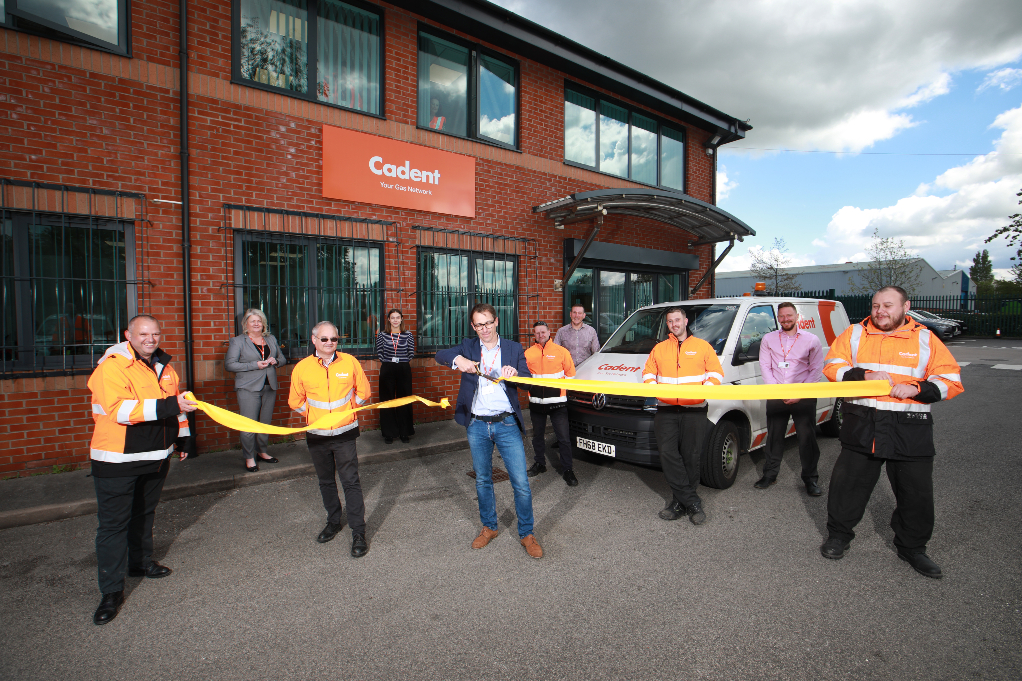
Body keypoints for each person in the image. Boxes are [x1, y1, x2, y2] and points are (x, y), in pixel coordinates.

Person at [820, 286, 963, 578]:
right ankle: (839, 536)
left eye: (887, 305)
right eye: (875, 305)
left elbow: (950, 381)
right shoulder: (854, 334)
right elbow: (832, 367)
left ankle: (913, 548)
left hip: (909, 426)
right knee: (847, 487)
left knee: (915, 493)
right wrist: (864, 375)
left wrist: (917, 388)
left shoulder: (925, 338)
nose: (880, 311)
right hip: (862, 423)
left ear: (905, 307)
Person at [87, 314, 197, 625]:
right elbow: (120, 410)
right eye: (143, 334)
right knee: (113, 526)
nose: (150, 339)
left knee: (144, 514)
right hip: (117, 460)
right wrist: (173, 406)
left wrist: (184, 437)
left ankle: (140, 562)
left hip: (156, 456)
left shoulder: (165, 367)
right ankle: (111, 592)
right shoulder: (112, 367)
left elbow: (177, 407)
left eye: (155, 334)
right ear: (128, 335)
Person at [435, 303, 542, 558]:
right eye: (478, 325)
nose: (484, 329)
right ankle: (489, 527)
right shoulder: (468, 346)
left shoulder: (514, 348)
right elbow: (440, 355)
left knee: (521, 483)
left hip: (506, 424)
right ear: (473, 327)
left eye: (488, 323)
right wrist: (458, 360)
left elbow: (528, 382)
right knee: (483, 480)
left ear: (496, 322)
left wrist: (515, 374)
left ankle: (527, 533)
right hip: (477, 425)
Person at [289, 321, 372, 558]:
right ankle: (334, 522)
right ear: (314, 340)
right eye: (324, 339)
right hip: (317, 435)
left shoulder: (350, 362)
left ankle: (358, 532)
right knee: (326, 481)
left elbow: (364, 393)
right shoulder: (302, 367)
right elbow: (295, 401)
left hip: (345, 433)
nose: (329, 343)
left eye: (334, 339)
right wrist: (314, 417)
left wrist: (348, 413)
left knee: (351, 482)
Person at [642, 306, 723, 525]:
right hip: (666, 409)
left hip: (694, 410)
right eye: (670, 321)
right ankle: (693, 502)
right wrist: (653, 387)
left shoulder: (702, 346)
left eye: (677, 320)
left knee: (691, 455)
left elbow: (716, 374)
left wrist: (704, 390)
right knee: (667, 454)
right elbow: (648, 373)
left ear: (685, 321)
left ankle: (679, 503)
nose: (674, 324)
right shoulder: (659, 348)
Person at [756, 302, 826, 495]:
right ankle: (770, 475)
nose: (785, 319)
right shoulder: (768, 339)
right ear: (778, 318)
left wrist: (799, 394)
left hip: (803, 396)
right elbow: (765, 366)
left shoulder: (812, 340)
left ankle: (811, 480)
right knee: (774, 437)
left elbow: (816, 370)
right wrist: (777, 392)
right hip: (776, 393)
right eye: (782, 316)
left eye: (789, 315)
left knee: (807, 439)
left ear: (796, 317)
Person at [225, 308, 286, 472]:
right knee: (249, 424)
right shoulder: (238, 341)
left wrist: (275, 361)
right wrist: (255, 365)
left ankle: (262, 452)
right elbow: (230, 365)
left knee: (265, 422)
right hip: (248, 387)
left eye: (259, 320)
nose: (257, 324)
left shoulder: (271, 339)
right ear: (246, 324)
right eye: (253, 321)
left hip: (269, 386)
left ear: (263, 323)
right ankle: (249, 457)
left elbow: (282, 359)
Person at [524, 321, 578, 486]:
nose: (540, 335)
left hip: (557, 403)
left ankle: (568, 469)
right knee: (537, 437)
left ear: (549, 332)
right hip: (536, 403)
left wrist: (560, 391)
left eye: (543, 332)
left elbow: (571, 375)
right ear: (534, 335)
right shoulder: (528, 353)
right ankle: (540, 463)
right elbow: (524, 377)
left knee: (563, 438)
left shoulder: (561, 351)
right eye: (537, 332)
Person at [376, 308, 415, 444]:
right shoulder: (382, 335)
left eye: (398, 317)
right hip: (387, 368)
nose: (395, 320)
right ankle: (389, 433)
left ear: (401, 319)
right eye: (392, 318)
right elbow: (379, 352)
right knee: (387, 400)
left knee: (404, 399)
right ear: (388, 319)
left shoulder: (408, 335)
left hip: (403, 368)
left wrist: (402, 361)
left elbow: (411, 352)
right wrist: (389, 362)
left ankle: (405, 432)